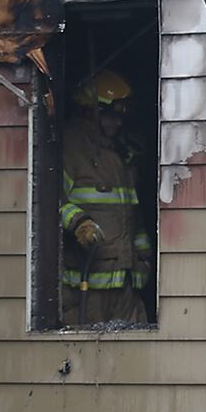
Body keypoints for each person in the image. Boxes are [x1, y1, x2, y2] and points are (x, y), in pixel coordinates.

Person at [58, 69, 151, 328]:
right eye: (112, 114)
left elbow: (134, 215)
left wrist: (143, 258)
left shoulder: (118, 154)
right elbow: (49, 199)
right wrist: (79, 224)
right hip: (87, 290)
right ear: (91, 110)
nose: (118, 123)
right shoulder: (72, 147)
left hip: (125, 284)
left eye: (122, 115)